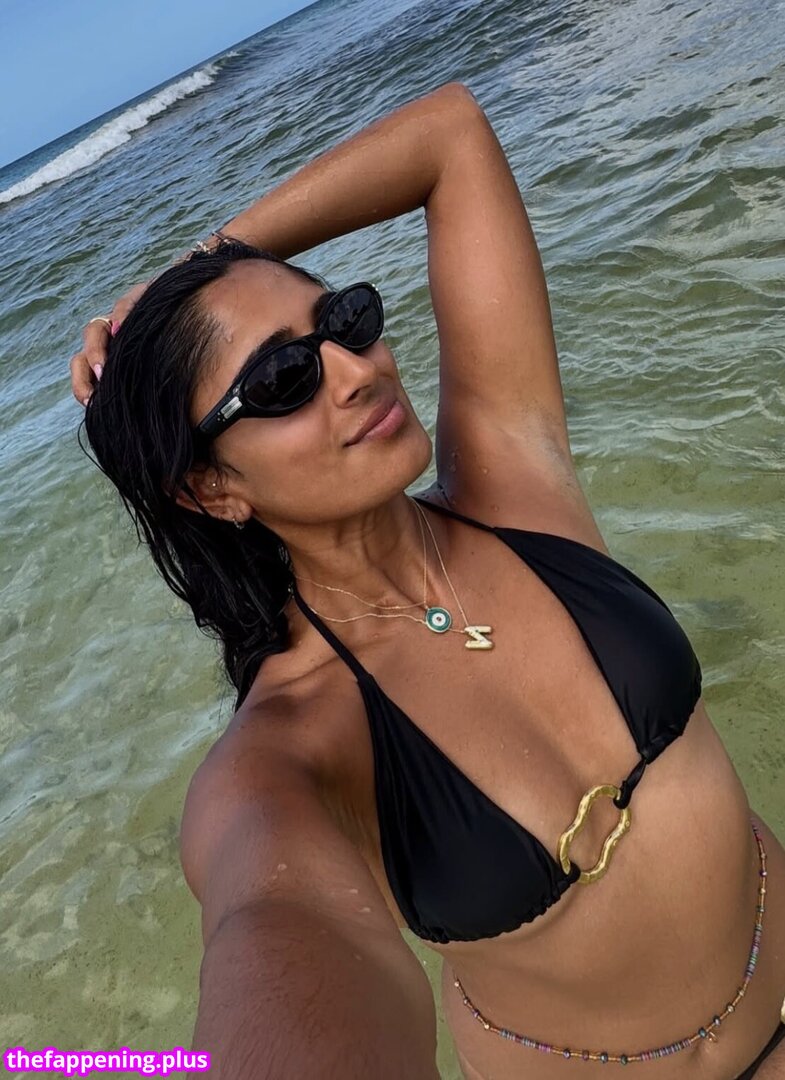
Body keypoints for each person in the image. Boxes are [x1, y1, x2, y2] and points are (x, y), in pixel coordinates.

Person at [71, 83, 785, 1079]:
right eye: (281, 381)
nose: (356, 369)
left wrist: (201, 267)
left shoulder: (514, 489)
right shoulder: (291, 755)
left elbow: (447, 135)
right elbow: (274, 927)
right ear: (210, 487)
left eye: (345, 321)